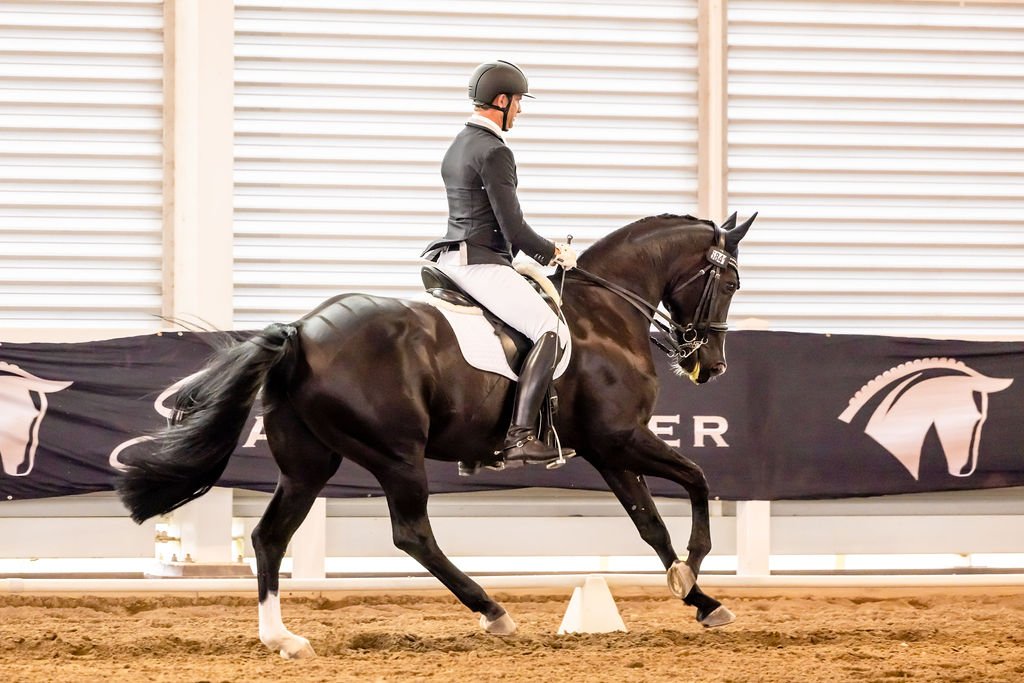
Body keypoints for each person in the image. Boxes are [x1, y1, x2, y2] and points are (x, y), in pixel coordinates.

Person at [422, 60, 578, 464]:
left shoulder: (459, 144)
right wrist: (556, 253)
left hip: (451, 262)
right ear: (502, 100)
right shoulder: (494, 152)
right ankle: (521, 436)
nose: (521, 111)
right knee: (550, 328)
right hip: (482, 264)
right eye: (519, 102)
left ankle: (475, 446)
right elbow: (515, 231)